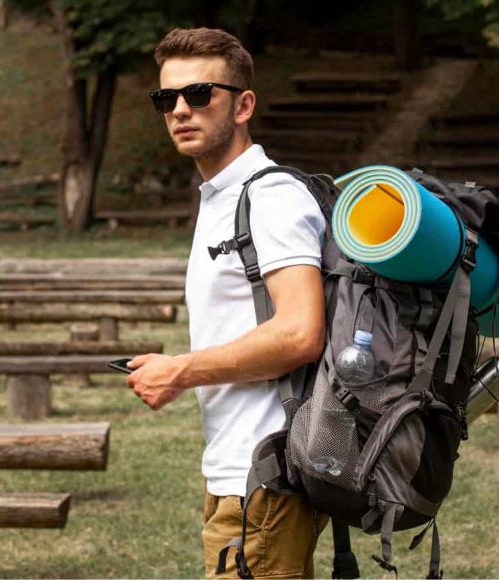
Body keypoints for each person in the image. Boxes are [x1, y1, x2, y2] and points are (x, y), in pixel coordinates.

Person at [125, 27, 329, 578]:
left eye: (199, 94)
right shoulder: (221, 197)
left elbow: (301, 331)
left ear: (243, 105)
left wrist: (182, 371)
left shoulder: (270, 198)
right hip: (237, 473)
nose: (180, 110)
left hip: (263, 475)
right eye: (166, 98)